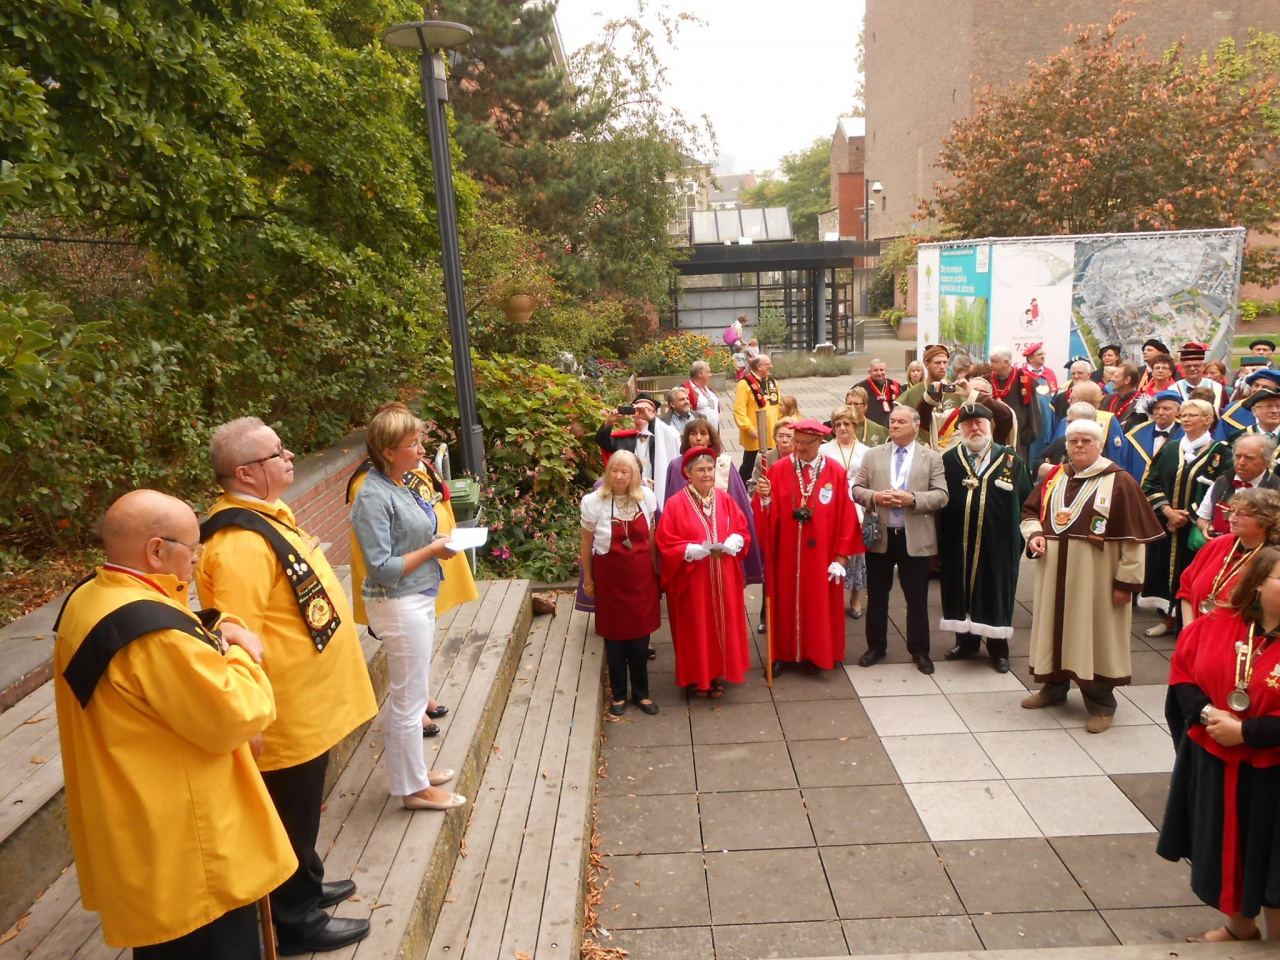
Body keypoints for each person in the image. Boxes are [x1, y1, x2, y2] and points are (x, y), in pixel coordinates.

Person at [53, 490, 296, 958]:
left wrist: (218, 625)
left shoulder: (91, 598)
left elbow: (176, 632)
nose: (197, 559)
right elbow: (236, 713)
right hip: (193, 843)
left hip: (139, 822)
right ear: (156, 551)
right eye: (192, 548)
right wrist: (242, 651)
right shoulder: (155, 636)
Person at [198, 418, 377, 954]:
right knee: (289, 816)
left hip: (311, 703)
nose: (290, 456)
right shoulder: (237, 545)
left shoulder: (266, 516)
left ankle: (307, 884)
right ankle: (295, 922)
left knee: (302, 811)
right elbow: (237, 639)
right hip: (284, 715)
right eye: (277, 452)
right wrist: (249, 720)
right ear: (246, 473)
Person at [348, 407, 467, 815]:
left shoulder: (399, 483)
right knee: (409, 700)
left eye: (419, 442)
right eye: (413, 444)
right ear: (387, 451)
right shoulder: (372, 496)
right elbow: (381, 567)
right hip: (398, 604)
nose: (421, 450)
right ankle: (413, 789)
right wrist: (433, 549)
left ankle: (414, 773)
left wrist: (436, 542)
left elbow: (410, 536)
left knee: (413, 694)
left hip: (416, 596)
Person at [1158, 546, 1280, 943]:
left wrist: (1247, 733)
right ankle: (1240, 927)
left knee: (1273, 860)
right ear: (1258, 583)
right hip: (1219, 758)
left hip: (1273, 772)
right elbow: (1183, 671)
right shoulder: (1219, 622)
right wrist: (1209, 715)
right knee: (1231, 849)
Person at [1020, 419, 1165, 732]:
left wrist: (1126, 583)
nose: (1079, 446)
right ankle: (1053, 689)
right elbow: (1031, 512)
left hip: (1098, 579)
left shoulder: (1120, 481)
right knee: (1053, 631)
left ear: (1099, 445)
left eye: (1087, 440)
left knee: (1095, 636)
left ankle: (1101, 704)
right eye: (1074, 441)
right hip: (1054, 576)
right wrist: (1034, 535)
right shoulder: (1056, 476)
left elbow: (1134, 541)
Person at [754, 420, 862, 673]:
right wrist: (764, 498)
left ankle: (818, 653)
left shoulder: (835, 472)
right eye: (796, 441)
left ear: (819, 443)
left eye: (804, 443)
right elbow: (765, 515)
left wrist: (842, 556)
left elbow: (847, 515)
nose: (798, 447)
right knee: (784, 603)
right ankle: (782, 653)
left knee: (818, 605)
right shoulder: (778, 469)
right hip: (787, 553)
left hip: (822, 555)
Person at [852, 404, 949, 674]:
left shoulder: (931, 458)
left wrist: (912, 499)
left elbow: (942, 495)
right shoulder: (873, 455)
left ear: (916, 427)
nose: (894, 425)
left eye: (901, 422)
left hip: (914, 537)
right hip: (880, 536)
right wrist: (875, 496)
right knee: (877, 595)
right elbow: (856, 489)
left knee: (916, 598)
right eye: (892, 421)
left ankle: (920, 651)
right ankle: (875, 646)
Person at [938, 404, 1033, 673]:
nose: (974, 428)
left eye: (979, 422)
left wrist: (1026, 535)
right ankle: (965, 643)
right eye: (968, 424)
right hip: (957, 541)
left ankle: (998, 649)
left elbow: (1028, 499)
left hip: (998, 545)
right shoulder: (949, 460)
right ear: (961, 429)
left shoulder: (1011, 460)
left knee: (995, 591)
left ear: (989, 425)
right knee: (959, 590)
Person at [657, 446, 751, 697]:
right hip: (694, 579)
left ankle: (717, 673)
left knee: (722, 624)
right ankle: (696, 676)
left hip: (723, 574)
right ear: (688, 473)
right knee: (695, 626)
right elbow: (665, 541)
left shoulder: (724, 498)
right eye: (700, 470)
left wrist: (736, 540)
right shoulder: (675, 504)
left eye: (710, 469)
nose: (707, 474)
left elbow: (741, 528)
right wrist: (687, 550)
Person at [1141, 399, 1233, 637]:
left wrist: (1190, 514)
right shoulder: (1171, 448)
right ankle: (1168, 619)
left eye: (1193, 415)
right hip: (1167, 524)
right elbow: (1151, 482)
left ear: (1208, 420)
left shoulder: (1221, 453)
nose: (1186, 419)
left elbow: (1223, 489)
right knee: (1166, 571)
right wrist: (1167, 511)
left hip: (1197, 528)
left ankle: (1189, 627)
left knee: (1193, 574)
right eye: (1184, 415)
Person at [579, 451, 661, 716]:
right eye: (614, 470)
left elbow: (651, 538)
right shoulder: (593, 502)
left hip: (641, 577)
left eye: (624, 471)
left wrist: (656, 573)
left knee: (640, 638)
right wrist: (588, 579)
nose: (618, 476)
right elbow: (586, 545)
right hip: (610, 578)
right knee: (614, 639)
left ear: (634, 474)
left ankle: (641, 694)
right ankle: (618, 694)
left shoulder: (646, 497)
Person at [662, 417, 764, 587]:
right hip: (690, 542)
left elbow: (738, 503)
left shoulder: (724, 464)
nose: (698, 438)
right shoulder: (675, 466)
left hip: (722, 540)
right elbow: (670, 514)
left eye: (703, 433)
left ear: (711, 438)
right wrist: (687, 549)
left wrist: (736, 538)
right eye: (693, 434)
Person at [1180, 487, 1280, 627]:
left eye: (1241, 514)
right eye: (1232, 511)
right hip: (1196, 633)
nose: (1232, 519)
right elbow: (1186, 588)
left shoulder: (1274, 561)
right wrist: (1188, 629)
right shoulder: (1218, 544)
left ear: (1265, 520)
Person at [821, 405, 871, 619]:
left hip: (858, 505)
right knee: (833, 550)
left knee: (856, 553)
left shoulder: (866, 451)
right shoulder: (824, 450)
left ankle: (855, 597)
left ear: (854, 426)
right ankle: (833, 596)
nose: (842, 428)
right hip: (832, 505)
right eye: (838, 424)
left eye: (846, 424)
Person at [1194, 434, 1280, 545]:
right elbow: (1203, 518)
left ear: (1266, 461)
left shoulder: (1276, 488)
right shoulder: (1221, 481)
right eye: (1238, 456)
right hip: (1219, 549)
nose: (1241, 462)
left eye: (1249, 458)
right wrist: (1206, 527)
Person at [596, 393, 680, 499]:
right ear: (632, 415)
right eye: (637, 410)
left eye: (647, 410)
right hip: (629, 494)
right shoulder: (624, 438)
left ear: (654, 414)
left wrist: (650, 419)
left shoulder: (662, 438)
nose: (641, 413)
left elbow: (674, 438)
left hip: (656, 492)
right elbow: (602, 441)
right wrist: (609, 422)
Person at [903, 343, 968, 440]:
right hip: (922, 445)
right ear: (927, 364)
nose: (942, 366)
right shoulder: (913, 392)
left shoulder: (957, 391)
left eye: (945, 362)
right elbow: (903, 426)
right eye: (938, 363)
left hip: (952, 445)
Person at [733, 353, 780, 483]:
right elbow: (739, 410)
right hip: (755, 435)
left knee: (771, 465)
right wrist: (749, 428)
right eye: (768, 364)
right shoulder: (744, 384)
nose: (771, 366)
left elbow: (778, 404)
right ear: (759, 366)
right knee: (749, 467)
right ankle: (740, 489)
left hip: (772, 434)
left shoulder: (772, 382)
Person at [1118, 389, 1184, 483]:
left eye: (1166, 409)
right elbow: (1122, 466)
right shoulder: (1135, 434)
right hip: (1136, 489)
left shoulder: (1186, 435)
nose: (1160, 412)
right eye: (1156, 408)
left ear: (1178, 411)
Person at [1173, 342, 1224, 409]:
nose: (1192, 369)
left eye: (1196, 365)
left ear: (1204, 366)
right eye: (1188, 366)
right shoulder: (1174, 389)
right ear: (1182, 368)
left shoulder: (1217, 388)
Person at [853, 358, 901, 428]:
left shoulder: (894, 385)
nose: (879, 373)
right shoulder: (860, 387)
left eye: (881, 370)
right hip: (869, 427)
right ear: (869, 372)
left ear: (886, 370)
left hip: (892, 426)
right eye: (875, 370)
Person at [684, 359, 721, 431]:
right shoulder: (684, 390)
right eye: (708, 372)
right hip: (698, 434)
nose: (711, 375)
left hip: (713, 434)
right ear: (700, 373)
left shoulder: (709, 390)